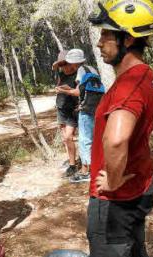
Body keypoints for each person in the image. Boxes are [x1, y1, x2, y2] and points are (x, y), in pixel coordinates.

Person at [87, 1, 153, 257]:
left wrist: (114, 180)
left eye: (106, 35)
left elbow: (116, 140)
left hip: (116, 197)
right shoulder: (144, 77)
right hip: (139, 184)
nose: (99, 42)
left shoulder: (129, 87)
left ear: (127, 39)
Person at [55, 49, 103, 183]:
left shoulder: (81, 71)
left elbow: (79, 92)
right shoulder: (92, 68)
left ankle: (85, 171)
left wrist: (66, 91)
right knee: (92, 138)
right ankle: (94, 166)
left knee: (84, 140)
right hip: (96, 107)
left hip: (85, 108)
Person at [53, 49, 80, 177]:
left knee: (69, 136)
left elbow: (79, 92)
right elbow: (58, 87)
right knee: (65, 138)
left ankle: (73, 165)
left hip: (72, 110)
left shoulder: (78, 75)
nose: (64, 68)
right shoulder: (61, 75)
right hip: (61, 108)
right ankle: (71, 160)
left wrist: (67, 91)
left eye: (66, 64)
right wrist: (58, 89)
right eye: (62, 65)